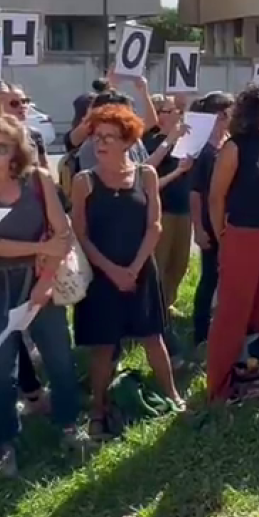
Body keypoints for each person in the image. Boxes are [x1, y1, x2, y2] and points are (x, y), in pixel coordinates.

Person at [0, 113, 87, 475]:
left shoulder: (38, 180)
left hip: (43, 277)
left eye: (1, 146)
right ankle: (4, 441)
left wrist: (41, 282)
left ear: (16, 151)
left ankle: (69, 424)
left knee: (59, 354)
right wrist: (34, 247)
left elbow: (63, 235)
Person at [71, 104, 181, 432]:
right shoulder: (84, 181)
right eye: (97, 136)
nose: (101, 143)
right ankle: (98, 408)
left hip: (141, 271)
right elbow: (81, 235)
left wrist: (133, 269)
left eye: (110, 137)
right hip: (102, 277)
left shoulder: (146, 174)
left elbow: (155, 226)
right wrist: (112, 270)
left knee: (152, 338)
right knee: (104, 346)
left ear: (128, 140)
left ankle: (173, 395)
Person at [205, 83, 259, 401]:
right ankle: (219, 387)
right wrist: (223, 238)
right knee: (232, 311)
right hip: (242, 235)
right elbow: (216, 197)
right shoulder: (234, 147)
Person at [140, 95, 195, 333]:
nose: (178, 114)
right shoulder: (151, 142)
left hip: (184, 210)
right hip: (164, 211)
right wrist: (170, 141)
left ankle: (169, 303)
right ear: (160, 114)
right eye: (172, 110)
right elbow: (148, 178)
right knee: (160, 264)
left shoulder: (185, 141)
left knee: (180, 263)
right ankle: (157, 312)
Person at [185, 92, 233, 351]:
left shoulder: (226, 143)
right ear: (220, 115)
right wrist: (198, 228)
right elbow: (195, 193)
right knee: (209, 278)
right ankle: (200, 333)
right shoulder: (204, 149)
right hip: (208, 222)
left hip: (225, 221)